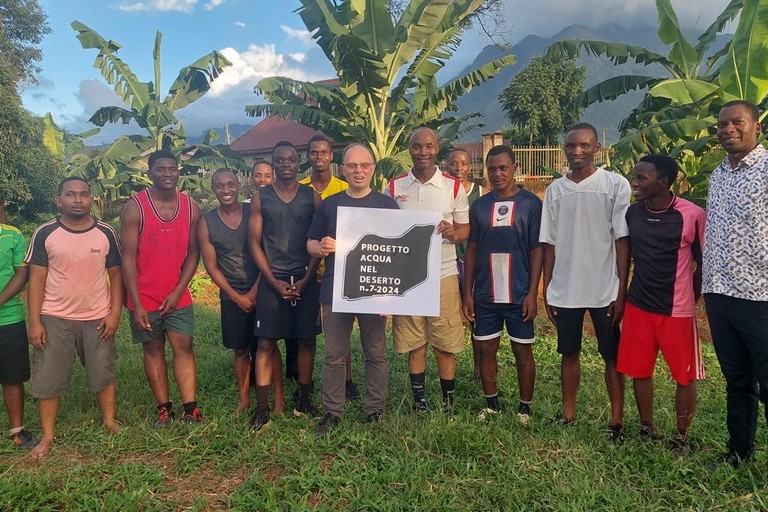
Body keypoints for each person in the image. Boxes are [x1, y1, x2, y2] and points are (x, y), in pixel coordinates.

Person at [540, 122, 630, 441]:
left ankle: (616, 420)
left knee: (611, 355)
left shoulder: (614, 185)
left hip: (604, 289)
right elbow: (548, 242)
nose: (577, 151)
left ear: (597, 149)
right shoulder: (555, 190)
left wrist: (621, 290)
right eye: (571, 146)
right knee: (569, 352)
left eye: (584, 146)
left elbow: (622, 239)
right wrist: (547, 289)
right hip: (565, 289)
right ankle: (568, 413)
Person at [26, 177, 122, 459]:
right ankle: (47, 436)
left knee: (102, 370)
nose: (77, 200)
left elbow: (116, 276)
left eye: (83, 195)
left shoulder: (106, 232)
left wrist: (114, 312)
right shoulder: (45, 233)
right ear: (59, 201)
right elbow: (36, 281)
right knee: (48, 376)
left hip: (97, 316)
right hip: (54, 317)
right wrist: (35, 322)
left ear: (92, 199)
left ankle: (108, 421)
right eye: (70, 195)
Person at [307, 143, 399, 435]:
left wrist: (391, 293)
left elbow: (399, 251)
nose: (358, 171)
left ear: (373, 168)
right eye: (352, 166)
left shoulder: (387, 205)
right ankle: (332, 412)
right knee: (334, 354)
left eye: (364, 165)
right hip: (336, 289)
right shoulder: (330, 204)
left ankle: (375, 410)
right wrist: (320, 247)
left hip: (374, 290)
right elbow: (309, 241)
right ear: (343, 169)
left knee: (376, 353)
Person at [617, 155, 705, 453]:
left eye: (642, 178)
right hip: (638, 305)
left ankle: (682, 436)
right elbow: (625, 256)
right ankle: (647, 426)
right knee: (639, 370)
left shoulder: (691, 214)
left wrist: (691, 295)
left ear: (664, 182)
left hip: (677, 310)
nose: (635, 183)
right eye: (634, 176)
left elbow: (703, 262)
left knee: (685, 374)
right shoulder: (632, 214)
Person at [386, 127, 470, 414]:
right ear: (409, 149)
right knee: (415, 341)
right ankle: (419, 401)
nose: (423, 152)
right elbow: (383, 226)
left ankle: (448, 403)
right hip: (408, 277)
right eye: (417, 146)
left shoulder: (453, 186)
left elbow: (465, 228)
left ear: (438, 148)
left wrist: (454, 232)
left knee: (444, 341)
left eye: (429, 146)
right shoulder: (395, 186)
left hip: (443, 274)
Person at [703, 100, 768, 468]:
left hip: (760, 294)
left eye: (737, 122)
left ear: (756, 127)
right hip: (720, 294)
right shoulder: (718, 175)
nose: (728, 129)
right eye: (722, 124)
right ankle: (739, 453)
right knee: (737, 381)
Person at [121, 149, 204, 427]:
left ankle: (190, 408)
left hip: (177, 294)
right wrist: (135, 303)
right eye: (160, 169)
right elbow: (128, 258)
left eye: (172, 168)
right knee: (153, 349)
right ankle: (164, 409)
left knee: (184, 347)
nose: (167, 174)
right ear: (150, 173)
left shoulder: (191, 207)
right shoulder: (135, 207)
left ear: (178, 171)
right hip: (144, 296)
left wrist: (179, 289)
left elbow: (194, 253)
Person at [462, 145, 542, 423]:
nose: (497, 173)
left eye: (503, 168)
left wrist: (533, 293)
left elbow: (536, 251)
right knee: (486, 350)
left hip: (519, 294)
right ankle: (492, 404)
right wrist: (468, 293)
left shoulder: (531, 204)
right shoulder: (480, 205)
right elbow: (471, 249)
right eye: (492, 169)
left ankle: (525, 408)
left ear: (514, 168)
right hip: (485, 294)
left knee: (522, 351)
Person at [249, 141, 322, 430]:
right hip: (272, 278)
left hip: (304, 277)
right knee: (266, 341)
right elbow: (253, 243)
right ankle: (263, 408)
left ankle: (304, 400)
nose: (286, 164)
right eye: (280, 160)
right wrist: (271, 280)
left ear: (299, 162)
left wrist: (306, 278)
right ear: (273, 163)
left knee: (306, 340)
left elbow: (318, 241)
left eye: (291, 159)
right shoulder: (261, 198)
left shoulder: (311, 197)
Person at [199, 168, 284, 413]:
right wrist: (236, 296)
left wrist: (256, 291)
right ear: (213, 189)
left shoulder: (253, 211)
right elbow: (211, 266)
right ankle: (245, 399)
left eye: (230, 185)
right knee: (240, 349)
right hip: (231, 294)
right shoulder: (207, 222)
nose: (225, 190)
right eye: (219, 186)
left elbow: (266, 250)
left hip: (263, 288)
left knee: (268, 345)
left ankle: (279, 399)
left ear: (238, 186)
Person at [300, 134, 360, 400]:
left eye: (324, 152)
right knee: (307, 332)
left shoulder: (343, 188)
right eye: (314, 152)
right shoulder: (299, 188)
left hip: (339, 273)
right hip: (306, 271)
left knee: (339, 333)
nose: (319, 156)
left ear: (331, 156)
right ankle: (304, 381)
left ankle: (346, 382)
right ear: (308, 156)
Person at [447, 147, 487, 380]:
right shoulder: (443, 190)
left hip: (474, 262)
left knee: (476, 316)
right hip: (449, 261)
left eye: (463, 164)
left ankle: (480, 368)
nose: (458, 168)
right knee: (450, 316)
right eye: (454, 163)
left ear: (469, 166)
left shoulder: (480, 193)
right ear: (447, 165)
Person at [0, 221, 37, 449]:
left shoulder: (13, 235)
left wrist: (1, 300)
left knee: (12, 376)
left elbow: (22, 273)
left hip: (9, 318)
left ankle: (17, 430)